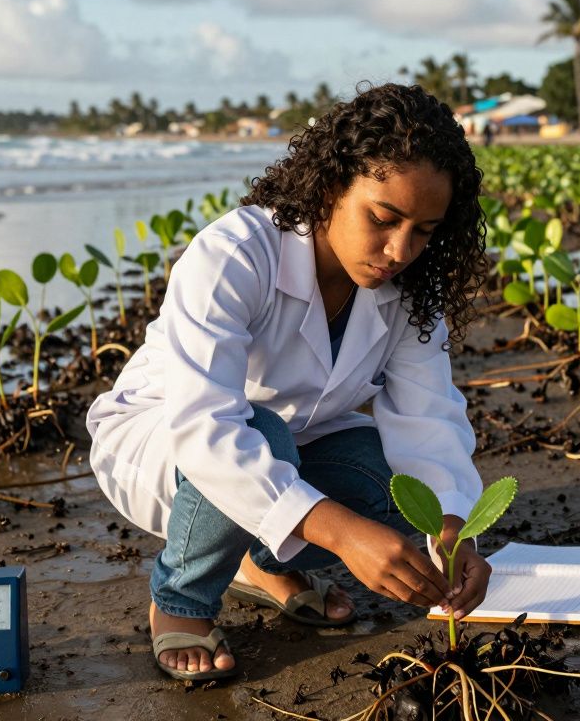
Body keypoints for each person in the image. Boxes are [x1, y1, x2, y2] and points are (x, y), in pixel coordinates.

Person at [86, 82, 491, 682]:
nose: (400, 249)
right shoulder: (235, 254)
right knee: (261, 434)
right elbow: (205, 429)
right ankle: (181, 600)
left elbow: (427, 419)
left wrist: (456, 533)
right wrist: (344, 534)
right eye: (383, 217)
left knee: (398, 491)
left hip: (300, 444)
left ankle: (260, 559)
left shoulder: (404, 294)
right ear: (330, 187)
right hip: (166, 443)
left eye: (425, 230)